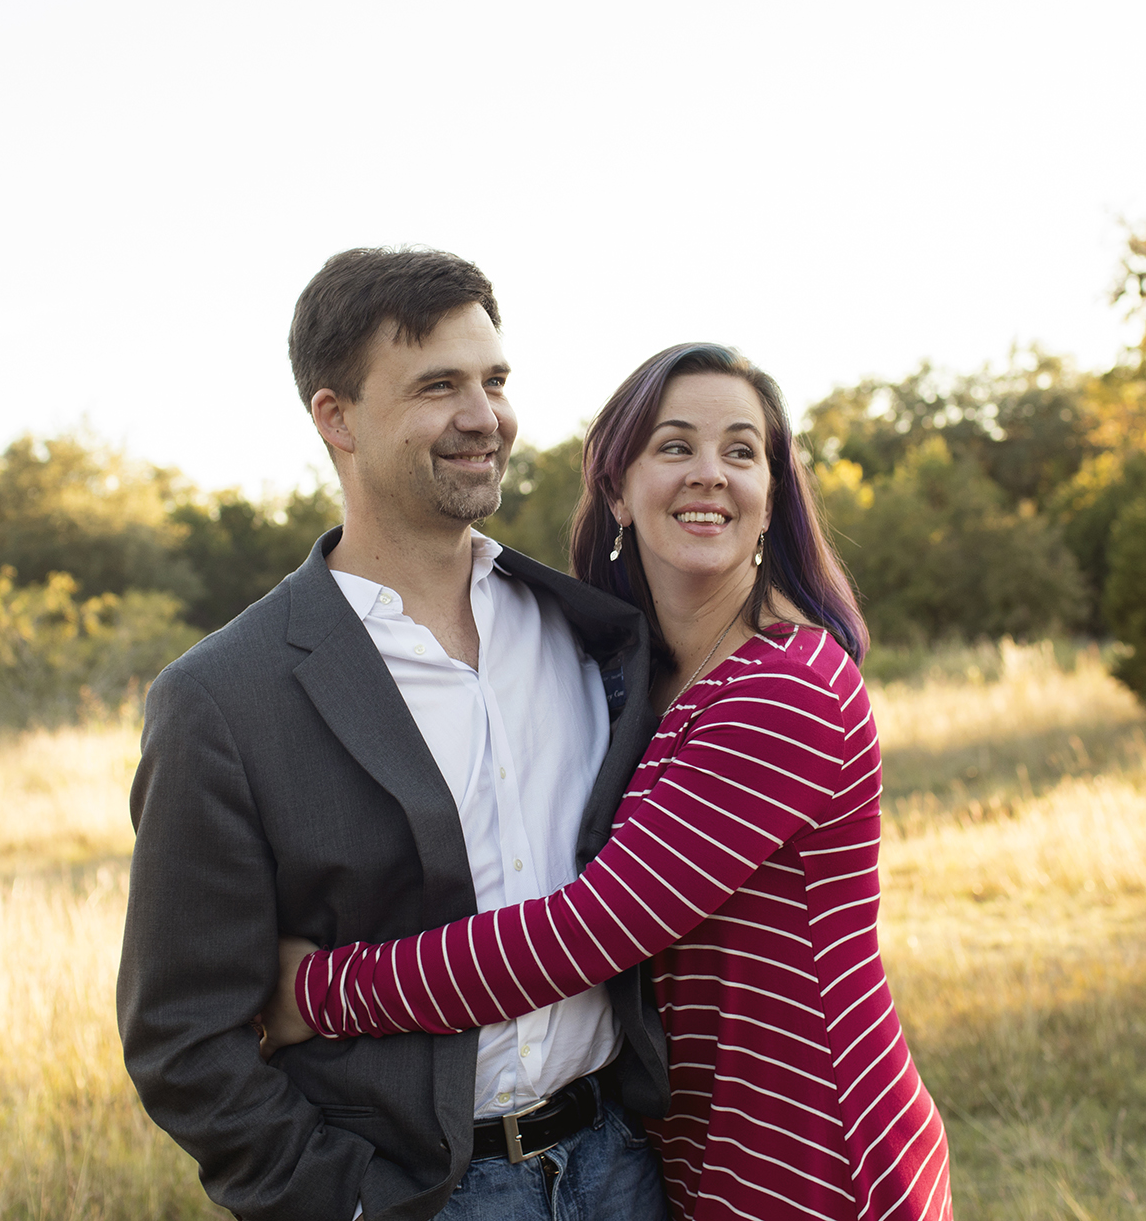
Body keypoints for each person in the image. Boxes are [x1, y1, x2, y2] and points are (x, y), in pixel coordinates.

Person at [260, 343, 955, 1221]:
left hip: (813, 1142)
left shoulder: (786, 685)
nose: (711, 474)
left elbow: (591, 929)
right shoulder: (631, 679)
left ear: (773, 498)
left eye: (743, 452)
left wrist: (323, 992)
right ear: (618, 489)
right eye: (675, 446)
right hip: (691, 1143)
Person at [117, 247, 672, 1221]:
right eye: (436, 386)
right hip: (425, 1196)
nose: (482, 416)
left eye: (494, 380)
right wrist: (353, 1205)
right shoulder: (223, 699)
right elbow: (181, 1035)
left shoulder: (590, 633)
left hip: (622, 1169)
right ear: (335, 417)